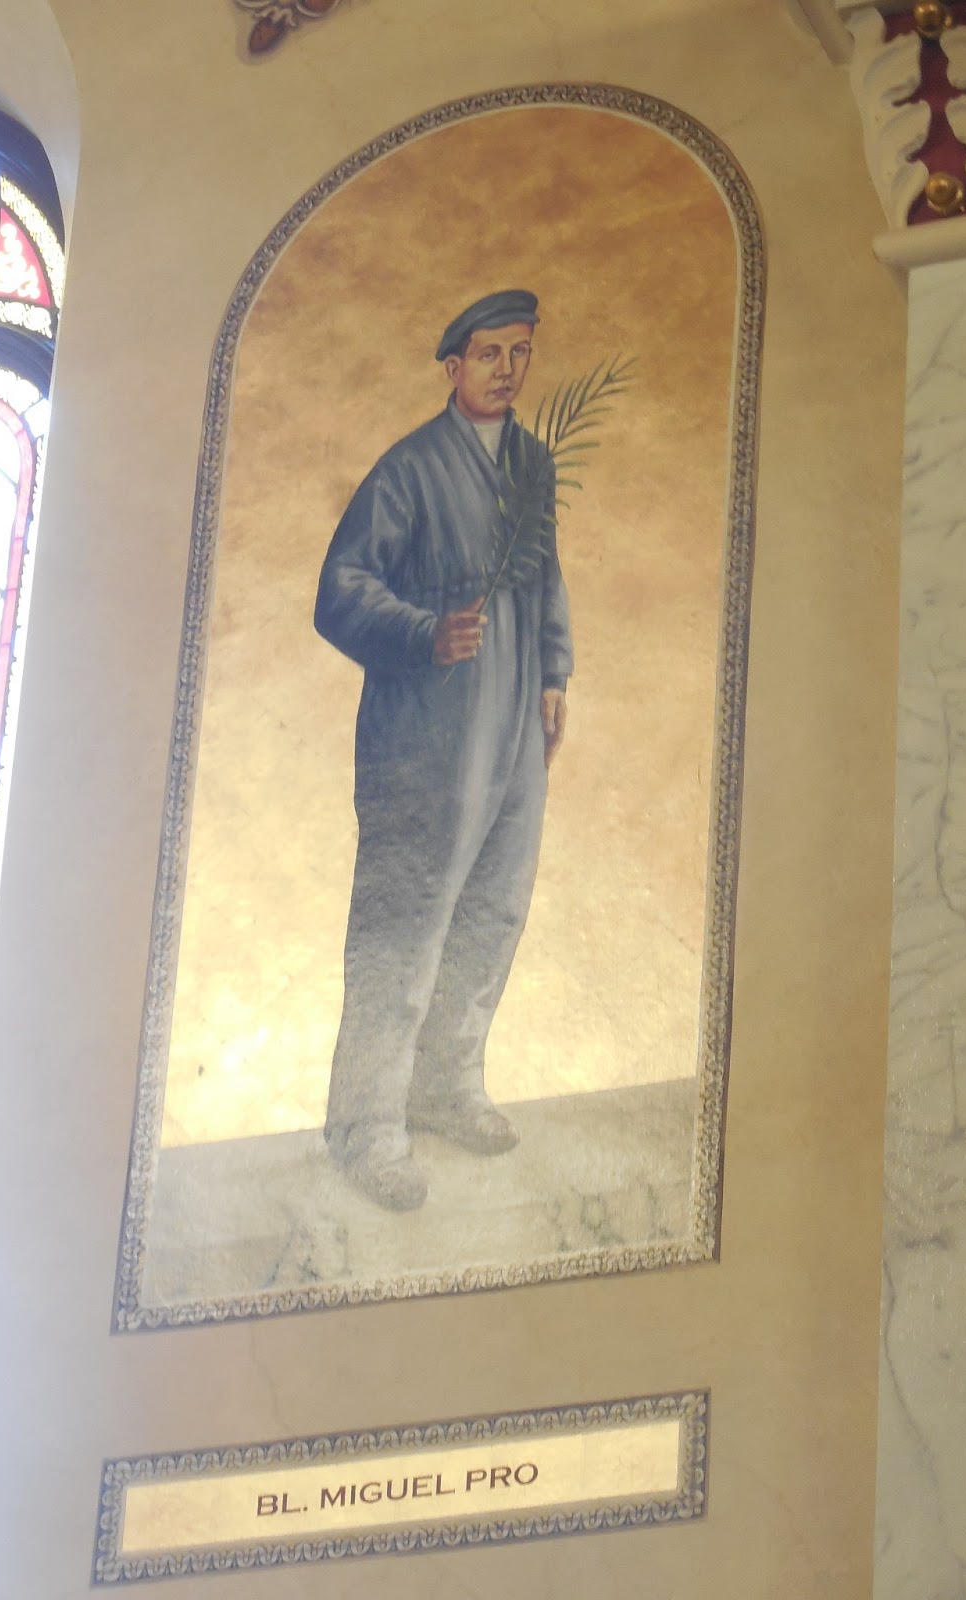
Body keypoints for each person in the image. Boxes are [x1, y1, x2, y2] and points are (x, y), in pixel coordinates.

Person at [314, 289, 573, 1212]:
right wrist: (425, 632)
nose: (508, 369)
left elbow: (545, 578)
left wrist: (554, 670)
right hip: (424, 739)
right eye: (490, 353)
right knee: (403, 926)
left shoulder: (532, 464)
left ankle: (446, 1087)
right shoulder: (410, 471)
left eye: (521, 352)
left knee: (494, 908)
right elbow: (340, 590)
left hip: (512, 725)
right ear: (455, 366)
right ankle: (365, 1128)